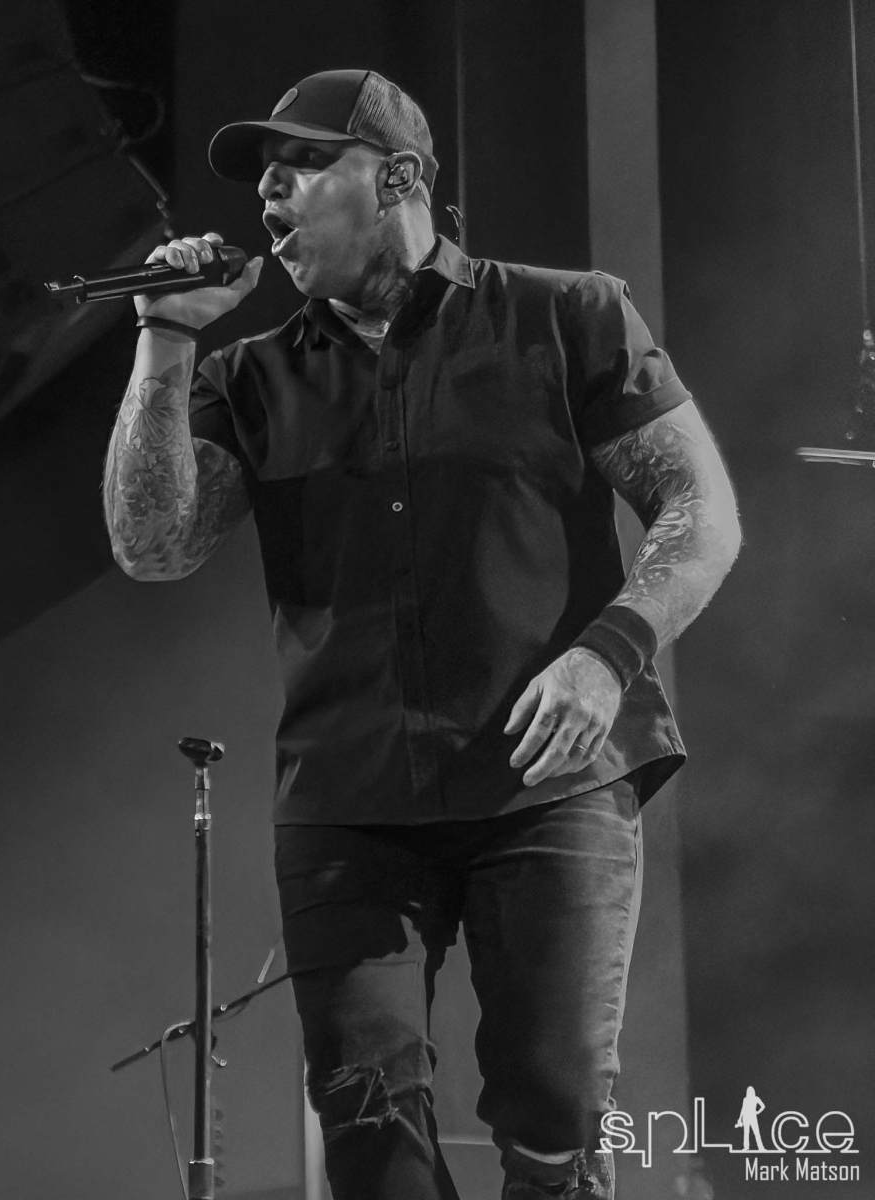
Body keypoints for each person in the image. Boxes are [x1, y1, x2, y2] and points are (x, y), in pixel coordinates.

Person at [103, 68, 740, 1200]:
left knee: (554, 1107)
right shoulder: (255, 376)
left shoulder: (566, 314)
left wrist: (608, 655)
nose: (269, 193)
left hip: (548, 780)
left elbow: (701, 509)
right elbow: (151, 545)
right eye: (262, 176)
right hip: (348, 801)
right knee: (368, 1129)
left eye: (301, 164)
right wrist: (163, 338)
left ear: (396, 176)